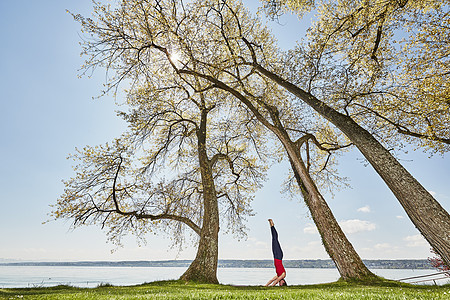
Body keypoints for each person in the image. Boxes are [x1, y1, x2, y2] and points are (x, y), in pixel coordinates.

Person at [265, 219, 287, 286]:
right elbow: (276, 281)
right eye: (280, 284)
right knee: (275, 239)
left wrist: (266, 286)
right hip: (279, 256)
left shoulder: (278, 275)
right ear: (283, 282)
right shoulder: (283, 275)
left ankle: (271, 226)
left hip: (275, 256)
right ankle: (272, 225)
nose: (279, 284)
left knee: (273, 239)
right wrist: (272, 286)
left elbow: (272, 280)